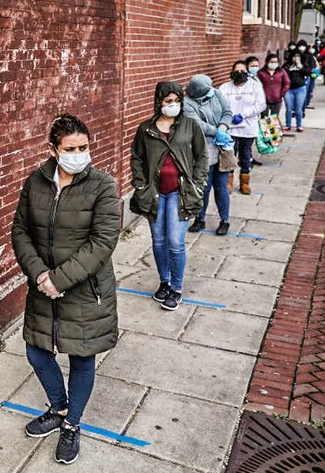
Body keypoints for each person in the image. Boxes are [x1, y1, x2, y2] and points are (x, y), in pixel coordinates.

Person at [11, 114, 120, 465]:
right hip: (43, 287)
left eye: (84, 147)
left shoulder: (103, 186)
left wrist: (59, 279)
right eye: (70, 148)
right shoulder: (36, 182)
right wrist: (41, 274)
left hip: (85, 289)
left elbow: (102, 242)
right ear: (53, 150)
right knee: (37, 351)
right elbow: (20, 231)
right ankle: (59, 409)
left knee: (81, 356)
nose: (78, 153)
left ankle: (72, 424)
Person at [130, 82, 207, 310]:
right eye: (168, 101)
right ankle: (164, 281)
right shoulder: (146, 129)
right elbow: (137, 158)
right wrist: (141, 185)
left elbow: (201, 156)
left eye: (176, 101)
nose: (172, 105)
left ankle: (176, 288)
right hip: (155, 194)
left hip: (179, 193)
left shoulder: (190, 126)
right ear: (159, 102)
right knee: (159, 240)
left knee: (175, 242)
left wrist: (199, 184)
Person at [183, 75, 234, 235]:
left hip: (223, 147)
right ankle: (200, 218)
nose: (212, 90)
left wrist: (223, 128)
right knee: (204, 187)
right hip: (203, 150)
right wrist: (216, 131)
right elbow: (197, 124)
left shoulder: (216, 94)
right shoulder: (187, 104)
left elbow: (227, 112)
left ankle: (225, 220)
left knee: (221, 187)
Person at [219, 61, 267, 195]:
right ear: (231, 72)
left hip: (248, 127)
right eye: (236, 71)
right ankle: (228, 181)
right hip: (230, 128)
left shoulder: (254, 86)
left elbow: (261, 105)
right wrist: (229, 116)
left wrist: (244, 114)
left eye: (242, 71)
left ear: (247, 72)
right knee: (230, 155)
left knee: (245, 155)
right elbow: (219, 104)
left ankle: (244, 182)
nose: (239, 74)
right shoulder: (225, 87)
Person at [283, 49, 311, 132]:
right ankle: (288, 125)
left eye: (298, 56)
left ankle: (299, 125)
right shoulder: (287, 65)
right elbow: (282, 73)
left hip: (300, 89)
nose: (296, 58)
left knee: (298, 108)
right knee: (289, 108)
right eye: (294, 56)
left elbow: (308, 72)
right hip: (288, 89)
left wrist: (300, 66)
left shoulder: (303, 64)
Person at [300, 40, 319, 113]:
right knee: (305, 92)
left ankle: (302, 109)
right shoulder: (297, 55)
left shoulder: (310, 56)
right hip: (302, 77)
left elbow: (313, 66)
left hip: (309, 76)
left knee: (307, 92)